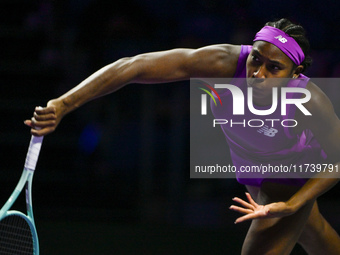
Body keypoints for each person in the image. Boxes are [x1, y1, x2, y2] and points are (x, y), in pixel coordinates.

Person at [25, 18, 340, 254]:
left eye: (274, 68)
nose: (258, 74)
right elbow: (132, 66)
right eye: (257, 59)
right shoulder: (223, 63)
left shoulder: (309, 101)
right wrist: (64, 103)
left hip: (290, 175)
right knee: (315, 234)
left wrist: (293, 202)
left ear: (295, 74)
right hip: (252, 173)